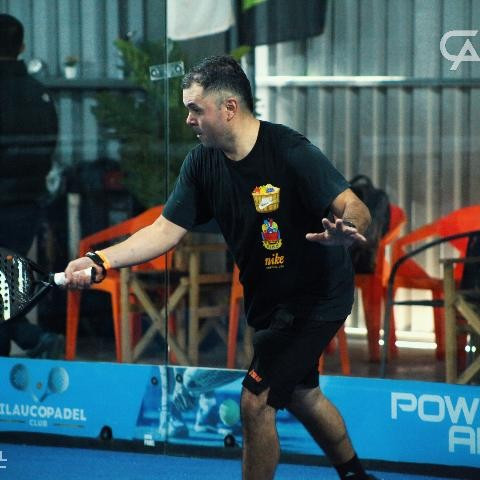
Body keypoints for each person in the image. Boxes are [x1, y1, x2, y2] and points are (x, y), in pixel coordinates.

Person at [65, 56, 377, 480]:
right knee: (302, 395)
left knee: (256, 400)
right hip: (269, 300)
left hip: (317, 294)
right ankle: (356, 475)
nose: (188, 119)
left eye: (195, 109)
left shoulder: (290, 151)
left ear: (229, 108)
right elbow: (164, 231)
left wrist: (349, 231)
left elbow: (354, 206)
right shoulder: (202, 164)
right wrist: (100, 260)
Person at [0, 14, 64, 358]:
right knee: (4, 286)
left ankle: (30, 337)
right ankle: (29, 338)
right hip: (26, 204)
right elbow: (48, 144)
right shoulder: (39, 93)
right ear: (22, 46)